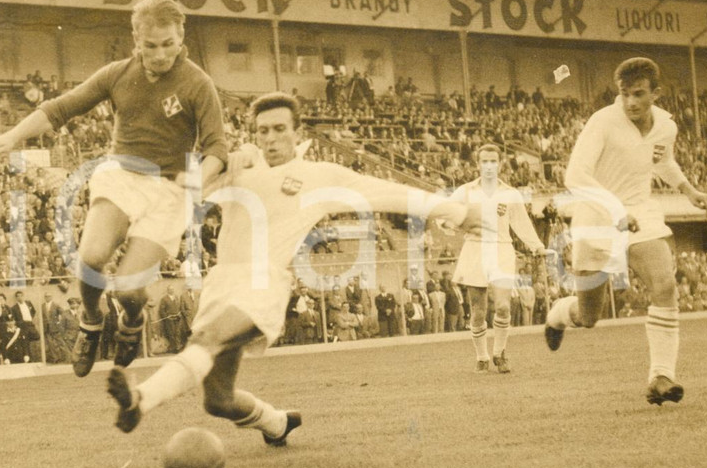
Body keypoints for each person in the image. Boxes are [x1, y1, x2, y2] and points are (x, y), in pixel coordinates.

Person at [106, 91, 483, 444]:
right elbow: (185, 190)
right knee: (218, 400)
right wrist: (220, 163)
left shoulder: (319, 176)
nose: (270, 139)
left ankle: (140, 399)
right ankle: (277, 423)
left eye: (279, 129)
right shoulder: (241, 167)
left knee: (205, 341)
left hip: (264, 283)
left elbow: (389, 192)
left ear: (297, 132)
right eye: (263, 131)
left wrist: (456, 211)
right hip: (222, 283)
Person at [0, 0, 228, 378]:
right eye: (151, 46)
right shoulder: (117, 73)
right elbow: (61, 108)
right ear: (136, 40)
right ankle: (92, 320)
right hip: (122, 175)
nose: (161, 54)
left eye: (169, 44)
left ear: (181, 38)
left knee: (129, 289)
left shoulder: (197, 83)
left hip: (168, 191)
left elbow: (217, 148)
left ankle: (132, 318)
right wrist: (12, 136)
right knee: (91, 258)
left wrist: (199, 177)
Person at [543, 58, 707, 404]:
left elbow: (663, 160)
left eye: (638, 94)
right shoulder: (603, 122)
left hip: (640, 210)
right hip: (596, 216)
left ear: (656, 93)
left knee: (665, 285)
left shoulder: (666, 125)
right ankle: (559, 314)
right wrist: (615, 210)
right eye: (624, 94)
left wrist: (689, 190)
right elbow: (574, 176)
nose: (631, 102)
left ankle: (661, 377)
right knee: (589, 316)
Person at [449, 144, 546, 373]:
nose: (489, 166)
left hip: (502, 249)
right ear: (477, 164)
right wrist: (450, 223)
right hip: (475, 249)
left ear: (500, 164)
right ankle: (481, 357)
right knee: (478, 310)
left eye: (493, 161)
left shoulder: (510, 193)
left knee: (503, 306)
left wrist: (537, 246)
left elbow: (522, 223)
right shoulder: (465, 191)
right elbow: (446, 214)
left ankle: (499, 353)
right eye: (485, 161)